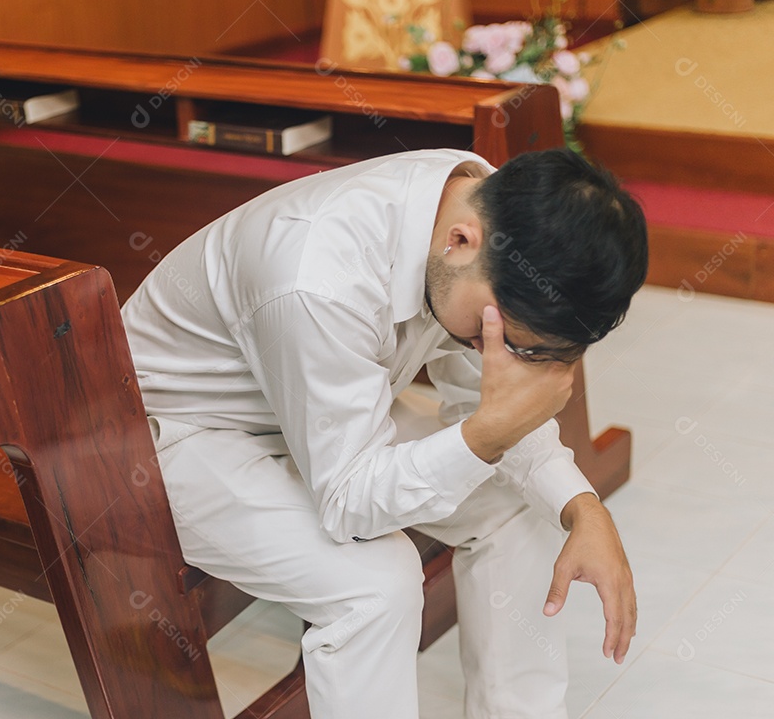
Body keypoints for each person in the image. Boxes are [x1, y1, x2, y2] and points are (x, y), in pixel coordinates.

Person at [121, 146, 647, 719]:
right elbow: (349, 502)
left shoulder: (490, 214)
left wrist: (582, 507)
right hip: (172, 436)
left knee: (514, 501)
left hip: (314, 410)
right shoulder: (316, 275)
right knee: (376, 586)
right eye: (500, 336)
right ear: (461, 242)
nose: (499, 352)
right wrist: (483, 437)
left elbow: (484, 402)